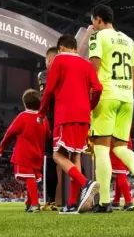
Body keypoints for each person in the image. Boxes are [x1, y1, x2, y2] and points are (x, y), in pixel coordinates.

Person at [88, 4, 134, 212]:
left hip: (106, 95)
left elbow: (94, 69)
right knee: (120, 147)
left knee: (101, 148)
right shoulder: (129, 40)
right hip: (127, 97)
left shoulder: (97, 37)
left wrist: (89, 98)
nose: (92, 26)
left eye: (93, 21)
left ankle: (104, 203)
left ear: (99, 20)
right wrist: (127, 94)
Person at [39, 34, 103, 214]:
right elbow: (98, 88)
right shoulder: (87, 64)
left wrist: (42, 113)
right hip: (84, 116)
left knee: (58, 156)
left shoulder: (59, 60)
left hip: (65, 114)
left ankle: (85, 183)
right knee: (75, 156)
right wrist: (90, 105)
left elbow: (49, 89)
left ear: (61, 48)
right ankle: (73, 203)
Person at [0, 89, 49, 213]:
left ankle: (35, 204)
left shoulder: (23, 116)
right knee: (32, 178)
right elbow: (48, 134)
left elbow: (10, 133)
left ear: (25, 103)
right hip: (38, 154)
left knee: (29, 178)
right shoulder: (44, 119)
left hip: (24, 154)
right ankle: (29, 203)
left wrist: (0, 149)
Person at [38, 47, 63, 211]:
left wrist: (40, 115)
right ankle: (79, 193)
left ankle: (50, 200)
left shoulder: (45, 75)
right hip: (68, 120)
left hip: (52, 122)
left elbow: (46, 97)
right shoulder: (69, 72)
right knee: (69, 157)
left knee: (49, 160)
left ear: (49, 60)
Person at [110, 137, 134, 211]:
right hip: (126, 139)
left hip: (117, 139)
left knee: (120, 171)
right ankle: (116, 201)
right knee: (119, 173)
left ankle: (128, 202)